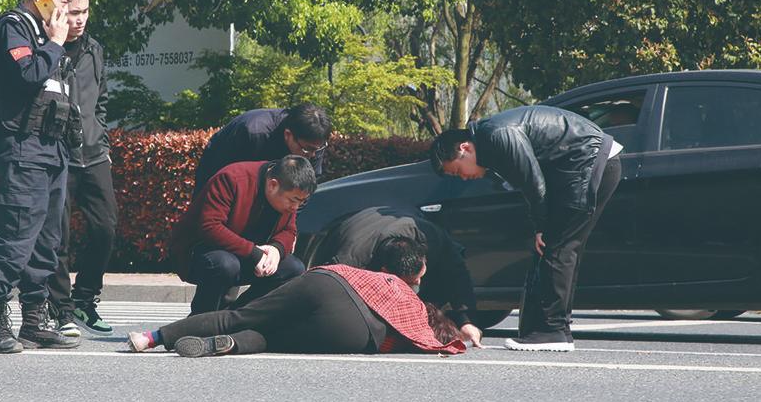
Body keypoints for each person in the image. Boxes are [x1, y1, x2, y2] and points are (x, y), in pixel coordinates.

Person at [431, 105, 622, 352]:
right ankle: (543, 329)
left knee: (558, 247)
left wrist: (541, 226)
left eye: (458, 171)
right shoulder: (491, 139)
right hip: (585, 164)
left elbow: (534, 183)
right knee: (558, 249)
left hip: (591, 160)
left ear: (464, 148)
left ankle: (553, 331)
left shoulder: (497, 135)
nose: (464, 178)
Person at [127, 239, 466, 357]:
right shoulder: (417, 330)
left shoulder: (396, 286)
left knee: (242, 315)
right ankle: (230, 344)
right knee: (270, 338)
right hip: (351, 330)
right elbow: (433, 344)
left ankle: (153, 337)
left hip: (330, 281)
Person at [0, 0, 82, 354]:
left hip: (52, 148)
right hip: (23, 148)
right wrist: (55, 42)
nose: (67, 13)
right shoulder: (14, 26)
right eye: (63, 2)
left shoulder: (46, 35)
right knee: (17, 234)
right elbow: (28, 75)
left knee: (47, 240)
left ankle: (34, 321)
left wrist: (56, 41)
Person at [46, 0, 119, 337]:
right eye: (73, 12)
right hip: (58, 155)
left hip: (94, 154)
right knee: (58, 237)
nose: (80, 20)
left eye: (85, 12)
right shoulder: (47, 47)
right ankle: (59, 309)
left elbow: (101, 100)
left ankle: (85, 300)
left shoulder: (95, 49)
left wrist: (100, 138)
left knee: (106, 228)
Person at [313, 206, 484, 348]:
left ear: (424, 260)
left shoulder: (432, 238)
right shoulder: (351, 261)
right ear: (385, 273)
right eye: (410, 283)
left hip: (397, 222)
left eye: (419, 277)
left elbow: (457, 274)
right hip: (354, 235)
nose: (418, 284)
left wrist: (466, 321)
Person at [171, 155, 315, 315]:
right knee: (226, 265)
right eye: (293, 200)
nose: (296, 207)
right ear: (273, 185)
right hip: (201, 253)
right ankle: (199, 321)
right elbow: (210, 227)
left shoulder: (287, 195)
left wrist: (276, 249)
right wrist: (254, 253)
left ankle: (239, 316)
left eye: (301, 202)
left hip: (250, 256)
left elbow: (289, 230)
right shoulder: (232, 178)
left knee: (294, 268)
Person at [193, 103, 332, 194]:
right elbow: (233, 185)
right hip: (221, 163)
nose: (313, 155)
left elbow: (304, 190)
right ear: (288, 135)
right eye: (307, 150)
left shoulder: (314, 143)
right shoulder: (254, 133)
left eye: (318, 149)